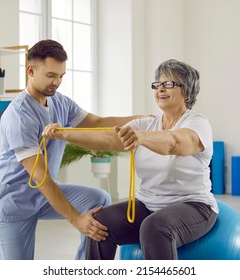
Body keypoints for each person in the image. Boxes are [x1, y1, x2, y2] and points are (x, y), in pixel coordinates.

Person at [0, 39, 146, 260]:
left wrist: (142, 121)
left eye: (61, 76)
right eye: (51, 75)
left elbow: (98, 122)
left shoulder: (60, 103)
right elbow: (41, 177)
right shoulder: (18, 115)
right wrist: (77, 220)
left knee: (99, 199)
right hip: (12, 203)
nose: (57, 82)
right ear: (31, 71)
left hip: (41, 196)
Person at [42, 59, 219, 260]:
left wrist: (142, 137)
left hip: (193, 205)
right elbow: (109, 139)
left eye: (169, 84)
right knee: (100, 223)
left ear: (187, 92)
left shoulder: (198, 123)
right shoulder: (147, 123)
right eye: (157, 84)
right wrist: (65, 134)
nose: (161, 89)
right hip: (148, 204)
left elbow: (176, 142)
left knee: (155, 227)